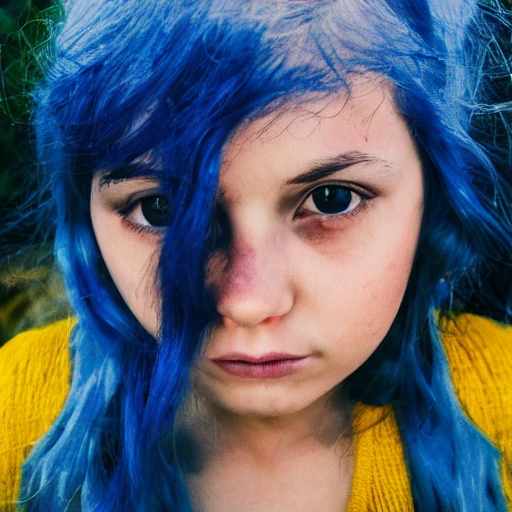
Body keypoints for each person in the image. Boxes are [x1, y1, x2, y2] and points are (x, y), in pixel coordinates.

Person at [0, 0, 511, 510]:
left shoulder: (500, 393)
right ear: (84, 206)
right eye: (162, 210)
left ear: (435, 195)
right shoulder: (16, 410)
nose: (248, 303)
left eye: (332, 199)